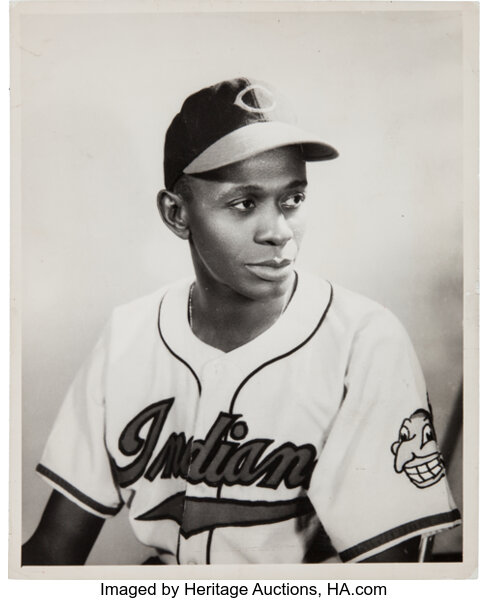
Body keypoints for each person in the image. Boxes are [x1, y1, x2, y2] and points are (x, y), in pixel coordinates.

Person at [22, 78, 460, 566]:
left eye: (292, 199)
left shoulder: (363, 340)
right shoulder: (129, 334)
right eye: (244, 203)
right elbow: (52, 554)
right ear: (176, 213)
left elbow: (390, 579)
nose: (278, 232)